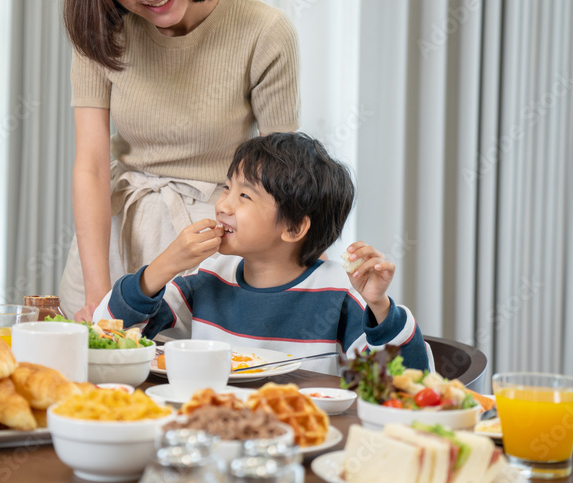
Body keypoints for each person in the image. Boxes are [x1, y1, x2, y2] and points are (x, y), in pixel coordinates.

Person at [59, 0, 301, 322]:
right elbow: (90, 166)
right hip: (117, 233)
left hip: (214, 242)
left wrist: (279, 290)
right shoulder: (101, 31)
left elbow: (283, 178)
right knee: (89, 385)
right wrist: (98, 292)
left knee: (191, 384)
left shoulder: (264, 32)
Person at [94, 133, 430, 374]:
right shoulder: (210, 276)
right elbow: (108, 335)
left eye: (245, 196)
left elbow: (407, 381)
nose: (223, 204)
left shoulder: (338, 292)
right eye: (227, 187)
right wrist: (166, 264)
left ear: (294, 228)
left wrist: (379, 305)